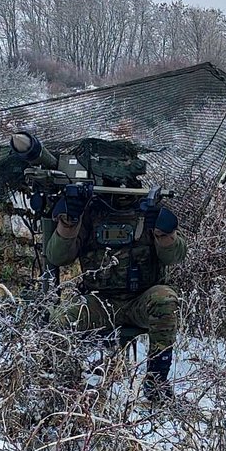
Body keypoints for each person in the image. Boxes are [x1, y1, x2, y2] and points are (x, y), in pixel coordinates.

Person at [41, 162, 188, 403]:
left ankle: (156, 382)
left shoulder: (149, 210)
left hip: (141, 301)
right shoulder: (89, 213)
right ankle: (62, 386)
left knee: (165, 299)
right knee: (63, 317)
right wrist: (69, 223)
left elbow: (175, 256)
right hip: (100, 302)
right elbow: (57, 257)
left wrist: (164, 233)